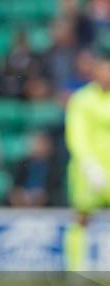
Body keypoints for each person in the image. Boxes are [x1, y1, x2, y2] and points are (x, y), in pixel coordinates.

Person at [64, 48, 110, 270]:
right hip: (88, 170)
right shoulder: (82, 99)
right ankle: (75, 271)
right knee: (82, 217)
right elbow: (76, 134)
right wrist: (89, 164)